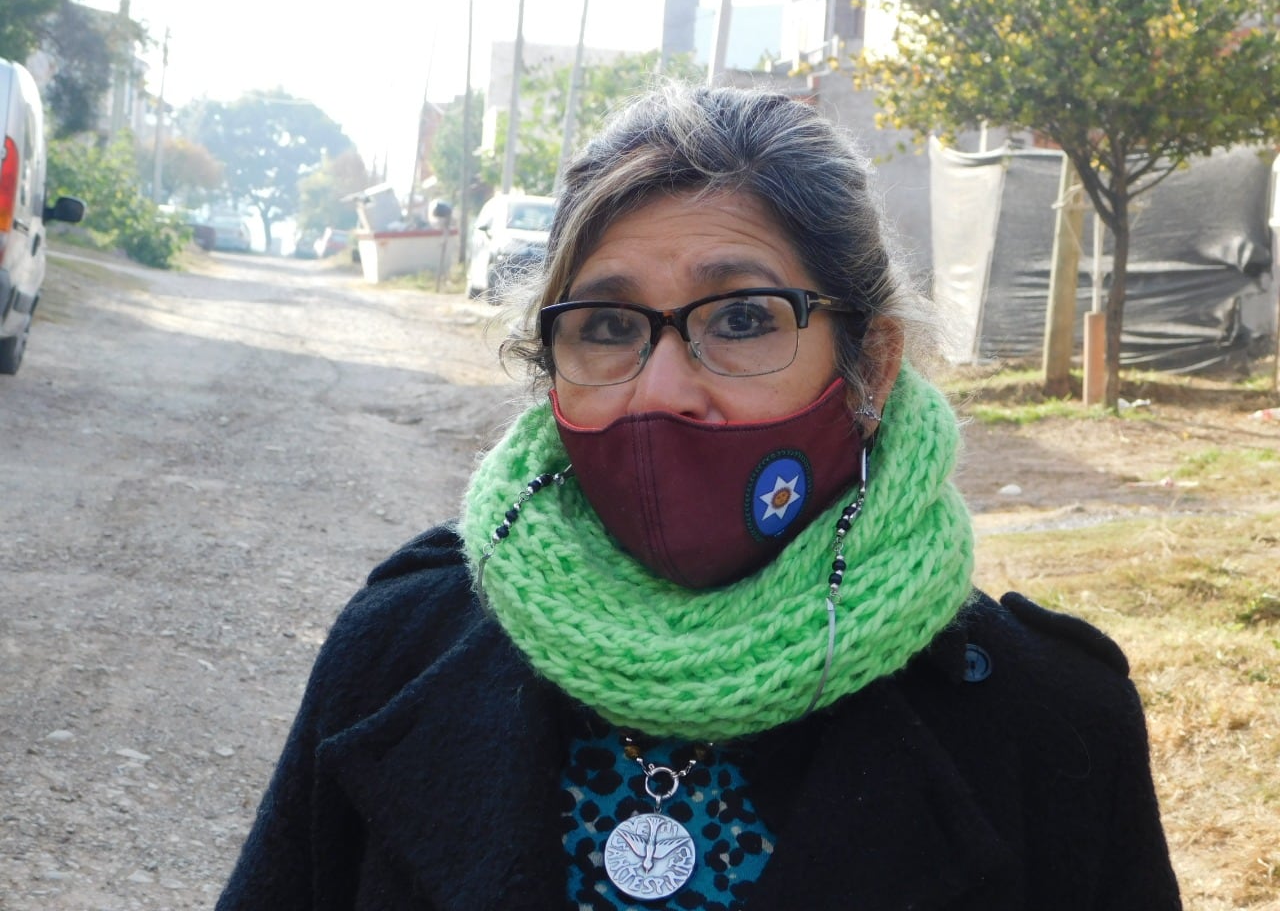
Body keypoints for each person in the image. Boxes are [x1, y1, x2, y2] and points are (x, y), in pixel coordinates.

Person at [217, 85, 1181, 911]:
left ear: (873, 365)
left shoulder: (1054, 728)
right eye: (606, 326)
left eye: (743, 319)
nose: (662, 390)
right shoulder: (394, 651)